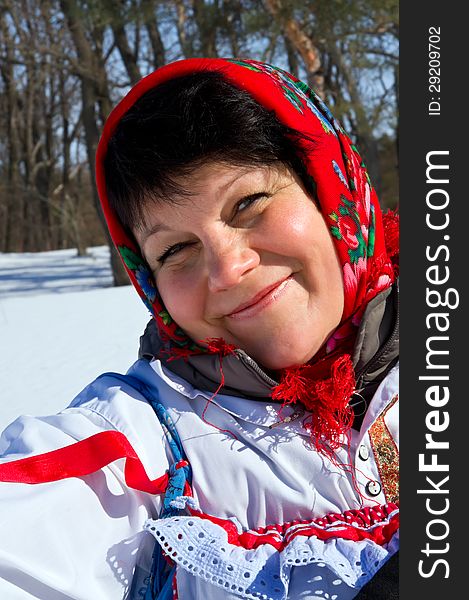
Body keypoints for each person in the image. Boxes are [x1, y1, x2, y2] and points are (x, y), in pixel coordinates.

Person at [0, 58, 399, 599]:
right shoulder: (148, 441)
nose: (226, 268)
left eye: (249, 203)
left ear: (329, 189)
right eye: (176, 249)